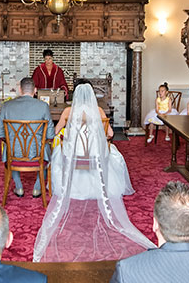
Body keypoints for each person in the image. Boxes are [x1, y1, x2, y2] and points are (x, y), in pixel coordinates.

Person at [35, 82, 153, 262]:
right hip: (95, 157)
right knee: (114, 153)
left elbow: (57, 131)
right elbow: (110, 134)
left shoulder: (68, 112)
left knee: (59, 151)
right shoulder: (98, 112)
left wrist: (68, 137)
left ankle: (66, 184)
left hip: (74, 156)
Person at [0, 77, 53, 198]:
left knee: (10, 147)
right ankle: (37, 189)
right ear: (35, 90)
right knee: (46, 148)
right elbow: (50, 135)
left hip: (13, 155)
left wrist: (13, 141)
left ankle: (19, 187)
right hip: (37, 154)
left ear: (20, 90)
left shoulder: (7, 106)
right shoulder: (43, 106)